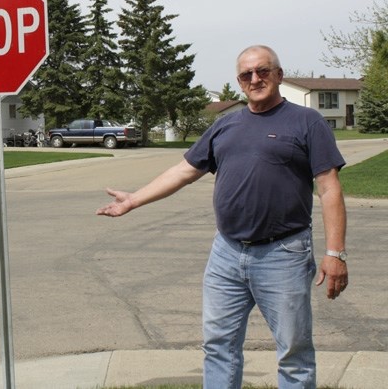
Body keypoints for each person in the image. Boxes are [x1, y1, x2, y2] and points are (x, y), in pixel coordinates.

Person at [96, 45, 348, 389]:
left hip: (284, 254)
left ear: (278, 74)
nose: (255, 79)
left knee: (294, 352)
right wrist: (134, 200)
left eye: (262, 71)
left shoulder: (307, 122)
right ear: (239, 82)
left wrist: (335, 253)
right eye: (247, 75)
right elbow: (184, 171)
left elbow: (329, 187)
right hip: (226, 254)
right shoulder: (225, 125)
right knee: (218, 347)